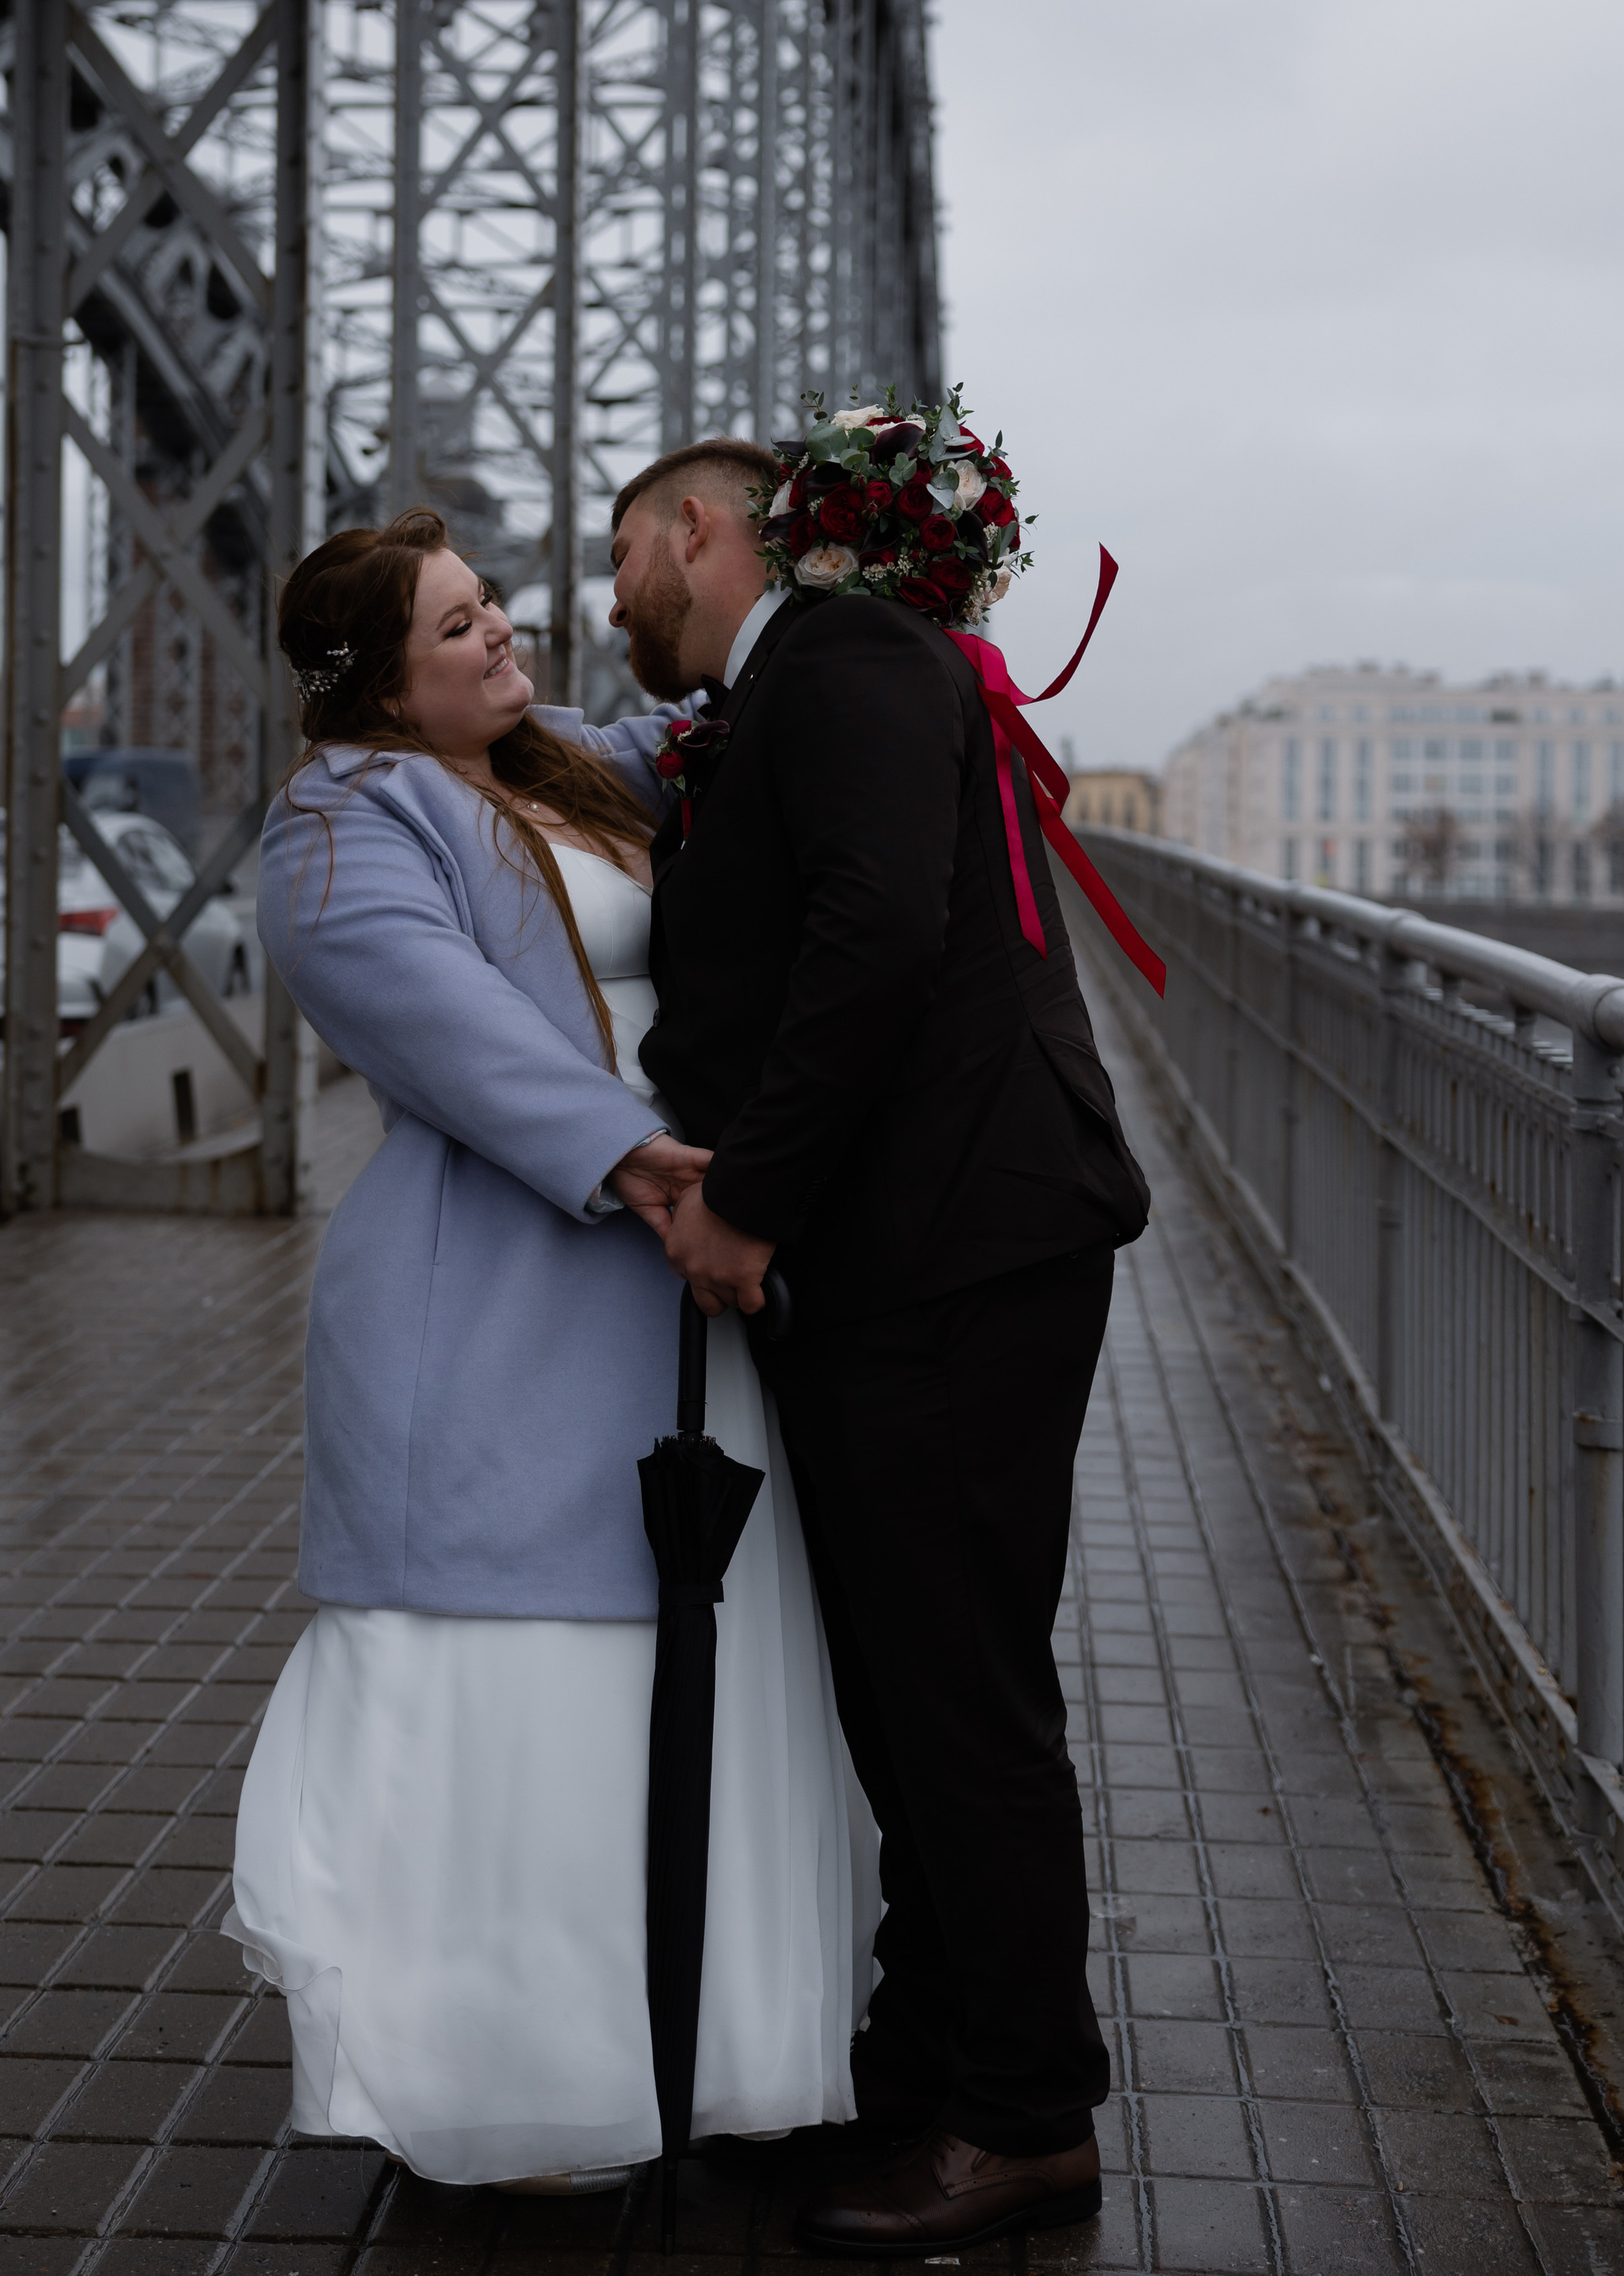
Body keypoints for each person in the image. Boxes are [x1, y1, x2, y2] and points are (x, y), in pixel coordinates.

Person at [224, 508, 875, 2192]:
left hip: (668, 1268)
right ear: (376, 681)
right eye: (456, 628)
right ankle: (499, 2080)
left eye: (492, 604)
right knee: (507, 1664)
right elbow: (440, 1029)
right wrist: (640, 1160)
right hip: (509, 1278)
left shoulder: (564, 762)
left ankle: (676, 2049)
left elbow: (718, 715)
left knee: (678, 1639)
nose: (503, 634)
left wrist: (857, 569)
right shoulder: (337, 824)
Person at [609, 435, 1151, 2254]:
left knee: (958, 1700)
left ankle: (1022, 2115)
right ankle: (919, 2075)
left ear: (699, 527)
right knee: (902, 1698)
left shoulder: (838, 664)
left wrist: (745, 1200)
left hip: (951, 1256)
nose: (608, 598)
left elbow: (875, 938)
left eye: (619, 551)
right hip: (921, 1257)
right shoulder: (824, 680)